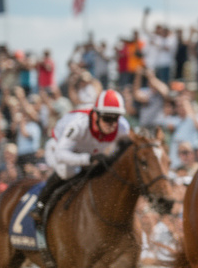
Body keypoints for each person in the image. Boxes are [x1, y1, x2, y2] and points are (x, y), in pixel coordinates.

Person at [33, 89, 132, 225]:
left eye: (115, 118)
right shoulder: (78, 124)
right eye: (107, 118)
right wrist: (88, 159)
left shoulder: (122, 127)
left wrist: (108, 157)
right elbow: (60, 154)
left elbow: (120, 150)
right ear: (96, 115)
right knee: (67, 172)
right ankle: (40, 205)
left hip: (88, 152)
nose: (112, 124)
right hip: (57, 147)